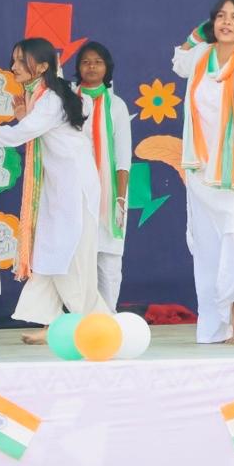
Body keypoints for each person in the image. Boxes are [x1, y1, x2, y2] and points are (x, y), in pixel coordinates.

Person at [0, 37, 108, 343]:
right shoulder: (40, 95)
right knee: (48, 251)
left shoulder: (51, 99)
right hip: (56, 186)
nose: (14, 66)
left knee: (72, 256)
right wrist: (24, 118)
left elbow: (23, 134)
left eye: (21, 61)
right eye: (14, 60)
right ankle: (52, 323)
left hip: (74, 187)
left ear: (42, 67)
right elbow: (34, 129)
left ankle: (95, 325)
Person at [172, 0, 234, 343]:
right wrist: (195, 36)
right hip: (202, 170)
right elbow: (179, 62)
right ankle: (218, 323)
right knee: (209, 247)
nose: (227, 22)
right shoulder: (201, 56)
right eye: (221, 16)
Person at [74, 42, 131, 311]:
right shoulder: (69, 101)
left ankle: (108, 317)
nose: (92, 67)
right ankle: (82, 317)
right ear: (78, 67)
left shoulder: (116, 106)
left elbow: (123, 155)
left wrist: (120, 199)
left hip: (109, 194)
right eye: (86, 62)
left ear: (107, 67)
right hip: (76, 191)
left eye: (98, 62)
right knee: (78, 258)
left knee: (108, 259)